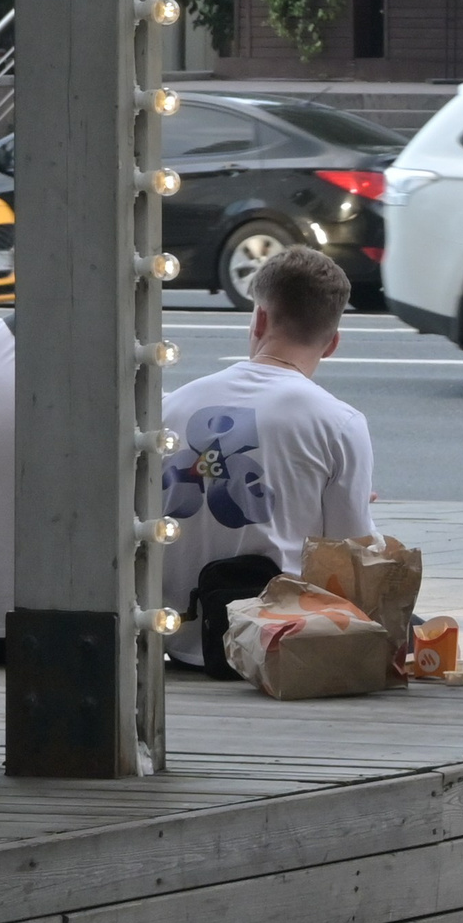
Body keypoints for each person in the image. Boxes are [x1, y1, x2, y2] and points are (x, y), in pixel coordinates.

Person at [158, 243, 377, 675]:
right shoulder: (338, 422)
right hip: (275, 647)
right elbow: (354, 557)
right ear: (332, 343)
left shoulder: (172, 406)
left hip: (179, 642)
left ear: (259, 318)